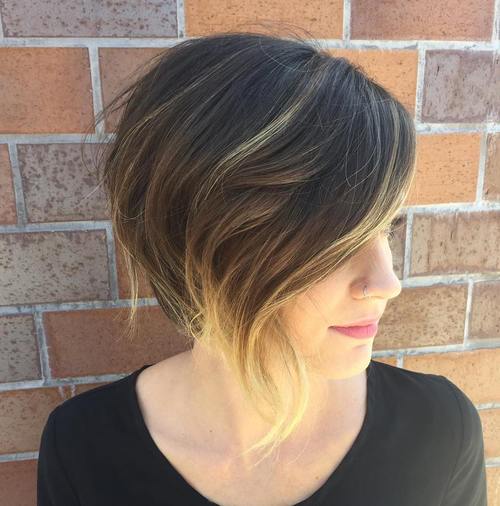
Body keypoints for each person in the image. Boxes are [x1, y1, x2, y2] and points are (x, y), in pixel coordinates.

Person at [37, 30, 487, 505]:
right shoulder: (85, 448)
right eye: (334, 241)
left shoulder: (438, 430)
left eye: (385, 229)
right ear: (201, 238)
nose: (387, 283)